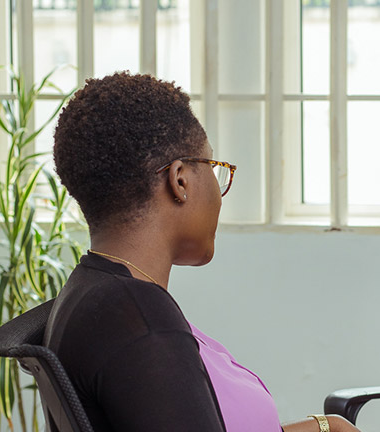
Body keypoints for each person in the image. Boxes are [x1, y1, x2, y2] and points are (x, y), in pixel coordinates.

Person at [44, 72, 359, 432]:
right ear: (179, 180)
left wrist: (323, 426)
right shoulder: (141, 323)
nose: (218, 187)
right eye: (213, 167)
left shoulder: (96, 291)